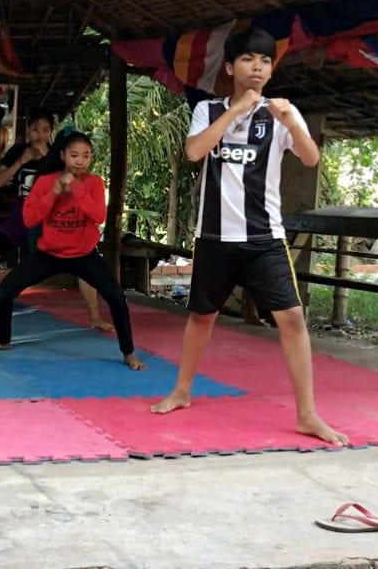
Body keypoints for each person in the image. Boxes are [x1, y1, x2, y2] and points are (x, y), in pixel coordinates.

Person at [149, 28, 348, 446]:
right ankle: (182, 391)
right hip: (215, 237)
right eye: (248, 60)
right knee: (203, 317)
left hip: (264, 238)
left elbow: (310, 158)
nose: (257, 67)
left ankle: (307, 414)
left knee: (292, 318)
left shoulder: (280, 115)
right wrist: (236, 109)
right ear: (230, 66)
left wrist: (292, 120)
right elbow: (194, 152)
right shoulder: (208, 108)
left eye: (264, 61)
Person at [0, 132, 146, 371]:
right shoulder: (45, 182)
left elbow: (98, 216)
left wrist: (76, 189)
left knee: (117, 298)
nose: (80, 161)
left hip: (84, 255)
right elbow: (29, 219)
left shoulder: (94, 183)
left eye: (86, 156)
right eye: (74, 155)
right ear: (62, 155)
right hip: (49, 254)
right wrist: (56, 190)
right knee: (4, 291)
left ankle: (128, 353)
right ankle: (3, 340)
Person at [0, 112, 113, 332]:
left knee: (83, 262)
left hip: (52, 222)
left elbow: (82, 182)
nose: (40, 134)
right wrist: (22, 160)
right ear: (28, 130)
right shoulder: (18, 152)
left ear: (51, 133)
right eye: (35, 129)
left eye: (45, 130)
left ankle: (94, 316)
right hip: (21, 217)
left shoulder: (59, 157)